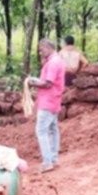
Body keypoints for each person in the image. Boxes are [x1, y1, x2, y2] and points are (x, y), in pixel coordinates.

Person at [27, 39, 66, 173]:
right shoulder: (56, 60)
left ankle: (47, 162)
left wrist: (32, 83)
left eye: (41, 49)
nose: (40, 52)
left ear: (48, 47)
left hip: (47, 102)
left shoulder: (53, 63)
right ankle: (54, 160)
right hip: (54, 100)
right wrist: (36, 80)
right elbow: (48, 81)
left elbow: (48, 83)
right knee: (53, 130)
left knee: (41, 131)